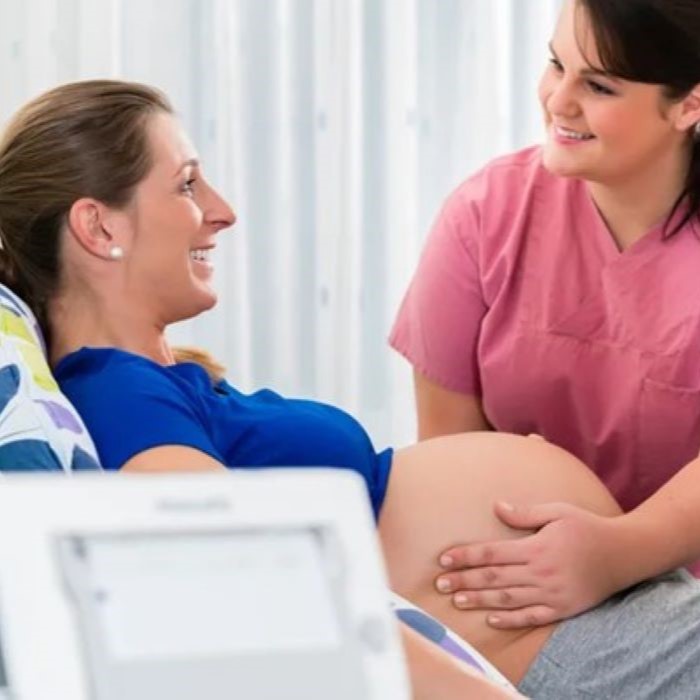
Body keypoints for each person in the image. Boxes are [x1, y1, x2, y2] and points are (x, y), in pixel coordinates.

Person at [3, 77, 700, 699]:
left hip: (598, 612)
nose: (222, 211)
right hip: (563, 649)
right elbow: (242, 575)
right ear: (99, 227)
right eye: (187, 184)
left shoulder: (159, 381)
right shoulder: (118, 394)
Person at [389, 0, 700, 628]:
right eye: (557, 64)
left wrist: (614, 555)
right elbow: (453, 459)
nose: (559, 101)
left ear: (689, 105)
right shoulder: (485, 214)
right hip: (523, 589)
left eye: (600, 85)